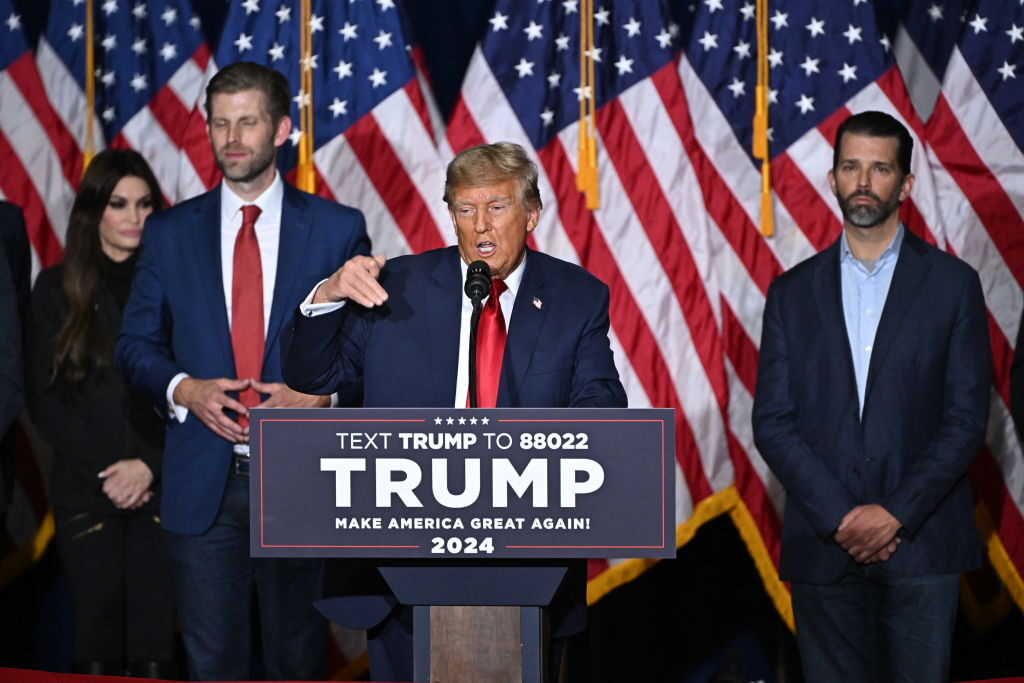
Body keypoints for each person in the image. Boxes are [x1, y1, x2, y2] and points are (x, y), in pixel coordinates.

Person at [282, 141, 627, 681]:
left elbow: (601, 410)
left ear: (531, 214)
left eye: (497, 207)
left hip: (527, 565)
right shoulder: (396, 288)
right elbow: (312, 375)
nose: (480, 225)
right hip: (400, 565)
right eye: (465, 209)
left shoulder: (575, 297)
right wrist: (328, 293)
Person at [115, 62, 371, 681]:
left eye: (247, 122)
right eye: (220, 123)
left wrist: (324, 398)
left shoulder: (338, 228)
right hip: (204, 480)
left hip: (301, 479)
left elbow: (367, 352)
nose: (231, 137)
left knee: (297, 660)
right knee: (212, 663)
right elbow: (135, 344)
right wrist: (187, 389)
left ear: (282, 129)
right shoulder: (171, 233)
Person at [752, 111, 991, 683]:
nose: (863, 180)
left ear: (904, 185)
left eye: (880, 168)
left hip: (922, 544)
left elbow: (965, 421)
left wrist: (894, 515)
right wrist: (842, 518)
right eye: (851, 166)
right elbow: (774, 423)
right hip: (822, 547)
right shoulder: (790, 293)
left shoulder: (953, 286)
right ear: (832, 179)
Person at [25, 150, 176, 677]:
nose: (135, 217)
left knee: (157, 641)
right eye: (120, 204)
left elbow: (188, 392)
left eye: (145, 204)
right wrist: (113, 472)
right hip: (87, 490)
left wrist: (148, 466)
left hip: (162, 485)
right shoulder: (54, 289)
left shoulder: (177, 289)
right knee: (96, 638)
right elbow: (43, 401)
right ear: (94, 212)